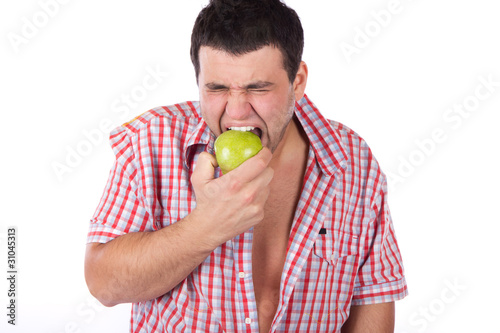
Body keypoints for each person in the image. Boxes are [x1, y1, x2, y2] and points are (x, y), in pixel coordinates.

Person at [84, 0, 408, 332]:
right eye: (217, 88)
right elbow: (103, 285)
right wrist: (206, 226)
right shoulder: (152, 140)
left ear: (297, 81)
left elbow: (373, 296)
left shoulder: (353, 161)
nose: (237, 112)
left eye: (257, 88)